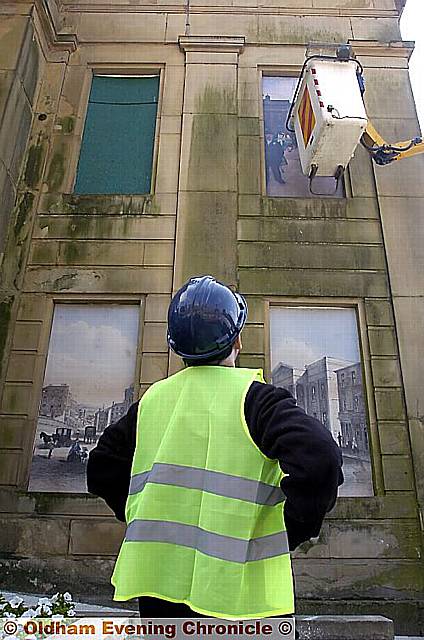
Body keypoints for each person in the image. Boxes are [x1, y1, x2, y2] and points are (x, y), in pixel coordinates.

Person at [87, 275, 343, 620]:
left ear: (175, 346)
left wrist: (141, 516)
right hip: (240, 598)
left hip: (160, 589)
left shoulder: (152, 401)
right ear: (237, 340)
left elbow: (102, 467)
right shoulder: (257, 401)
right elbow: (321, 459)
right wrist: (289, 530)